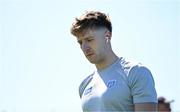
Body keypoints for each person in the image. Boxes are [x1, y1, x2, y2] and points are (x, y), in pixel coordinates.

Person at [70, 11, 157, 111]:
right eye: (80, 42)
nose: (84, 47)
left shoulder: (136, 72)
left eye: (89, 40)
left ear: (107, 36)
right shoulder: (84, 85)